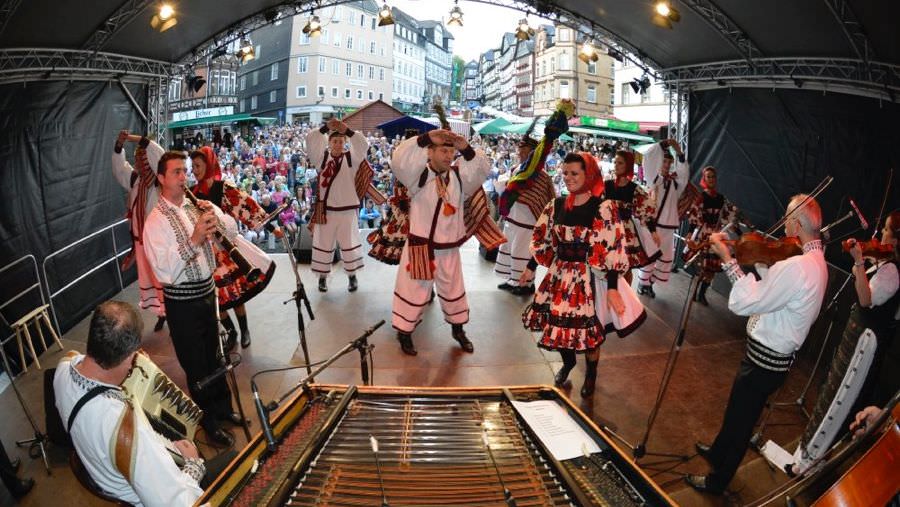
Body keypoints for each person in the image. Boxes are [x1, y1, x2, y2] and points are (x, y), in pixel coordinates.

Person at [686, 194, 828, 495]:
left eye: (788, 217)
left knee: (741, 423)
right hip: (770, 360)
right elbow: (779, 292)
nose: (785, 222)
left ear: (798, 223)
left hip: (765, 361)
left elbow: (751, 300)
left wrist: (727, 260)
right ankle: (716, 451)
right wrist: (765, 264)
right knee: (737, 408)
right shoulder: (816, 263)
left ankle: (717, 481)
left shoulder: (799, 266)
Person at [54, 301, 234, 506]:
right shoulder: (125, 429)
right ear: (129, 356)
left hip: (104, 465)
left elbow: (87, 362)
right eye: (133, 359)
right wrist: (193, 464)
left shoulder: (64, 367)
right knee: (236, 462)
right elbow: (173, 503)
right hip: (145, 494)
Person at [142, 151, 237, 448]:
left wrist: (216, 215)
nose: (184, 177)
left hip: (207, 294)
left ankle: (224, 409)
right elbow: (164, 270)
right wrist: (194, 239)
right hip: (182, 304)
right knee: (197, 366)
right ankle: (209, 423)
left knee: (215, 356)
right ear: (161, 178)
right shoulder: (154, 222)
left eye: (185, 171)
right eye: (176, 172)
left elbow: (230, 234)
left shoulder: (194, 206)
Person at [791, 210, 899, 473]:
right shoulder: (886, 265)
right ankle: (806, 454)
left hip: (866, 343)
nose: (880, 233)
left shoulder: (893, 272)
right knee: (833, 389)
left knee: (842, 397)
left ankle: (810, 464)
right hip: (857, 336)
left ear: (896, 239)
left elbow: (866, 299)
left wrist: (860, 263)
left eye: (885, 229)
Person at [520, 152, 629, 397]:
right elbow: (544, 239)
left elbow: (612, 247)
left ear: (588, 174)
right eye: (565, 173)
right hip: (559, 277)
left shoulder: (603, 208)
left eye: (574, 173)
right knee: (559, 327)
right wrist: (530, 266)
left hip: (587, 279)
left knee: (590, 334)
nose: (568, 178)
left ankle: (591, 374)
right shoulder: (556, 205)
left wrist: (612, 287)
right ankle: (568, 363)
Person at [390, 128, 490, 355]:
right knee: (413, 290)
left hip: (449, 249)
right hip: (420, 247)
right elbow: (400, 161)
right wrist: (426, 138)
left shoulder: (458, 178)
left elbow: (481, 171)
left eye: (451, 151)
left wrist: (466, 148)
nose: (448, 155)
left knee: (454, 290)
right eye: (443, 150)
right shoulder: (417, 177)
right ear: (429, 153)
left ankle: (458, 329)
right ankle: (404, 332)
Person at [189, 147, 277, 349]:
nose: (194, 170)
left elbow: (247, 207)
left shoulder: (224, 188)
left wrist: (271, 226)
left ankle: (244, 329)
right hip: (207, 252)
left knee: (235, 295)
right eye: (192, 166)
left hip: (227, 249)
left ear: (209, 165)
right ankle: (231, 331)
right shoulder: (193, 193)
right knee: (217, 298)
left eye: (198, 166)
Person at [495, 111, 565, 296]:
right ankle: (512, 280)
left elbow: (545, 198)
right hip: (513, 218)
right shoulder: (516, 168)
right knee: (510, 250)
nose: (520, 152)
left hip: (528, 221)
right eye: (520, 150)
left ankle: (526, 285)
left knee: (522, 252)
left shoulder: (541, 176)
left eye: (525, 151)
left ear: (533, 153)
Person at [306, 118, 370, 293]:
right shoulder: (322, 158)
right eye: (334, 140)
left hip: (347, 210)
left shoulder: (352, 159)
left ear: (345, 142)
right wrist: (326, 127)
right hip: (326, 210)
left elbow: (363, 145)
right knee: (323, 244)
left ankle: (352, 276)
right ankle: (322, 278)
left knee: (349, 244)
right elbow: (311, 140)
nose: (338, 144)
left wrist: (346, 130)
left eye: (341, 141)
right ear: (329, 142)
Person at [112, 130, 167, 332]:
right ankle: (162, 313)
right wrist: (119, 147)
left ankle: (173, 312)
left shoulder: (160, 183)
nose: (139, 163)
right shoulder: (136, 181)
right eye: (137, 159)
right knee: (153, 279)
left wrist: (138, 140)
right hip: (142, 243)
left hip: (161, 242)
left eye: (142, 158)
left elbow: (160, 156)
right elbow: (120, 170)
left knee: (165, 279)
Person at [637, 139, 689, 298]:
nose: (666, 165)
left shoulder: (676, 184)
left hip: (668, 227)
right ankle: (642, 284)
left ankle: (650, 284)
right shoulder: (654, 180)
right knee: (651, 256)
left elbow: (684, 175)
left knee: (664, 258)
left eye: (669, 162)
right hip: (654, 227)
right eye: (664, 161)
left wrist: (679, 153)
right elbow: (650, 159)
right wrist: (666, 143)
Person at [682, 166, 741, 305]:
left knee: (712, 269)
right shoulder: (701, 198)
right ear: (704, 179)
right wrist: (690, 233)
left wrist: (739, 232)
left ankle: (702, 294)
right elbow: (694, 217)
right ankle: (695, 293)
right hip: (703, 235)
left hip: (716, 234)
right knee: (703, 267)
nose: (711, 179)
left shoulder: (721, 198)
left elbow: (731, 215)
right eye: (708, 176)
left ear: (716, 179)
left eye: (713, 176)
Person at [600, 150, 660, 280]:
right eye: (615, 162)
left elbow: (647, 210)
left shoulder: (634, 188)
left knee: (626, 267)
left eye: (620, 163)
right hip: (608, 229)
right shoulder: (607, 185)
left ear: (627, 166)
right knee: (608, 266)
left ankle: (625, 298)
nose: (616, 165)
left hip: (626, 232)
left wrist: (653, 231)